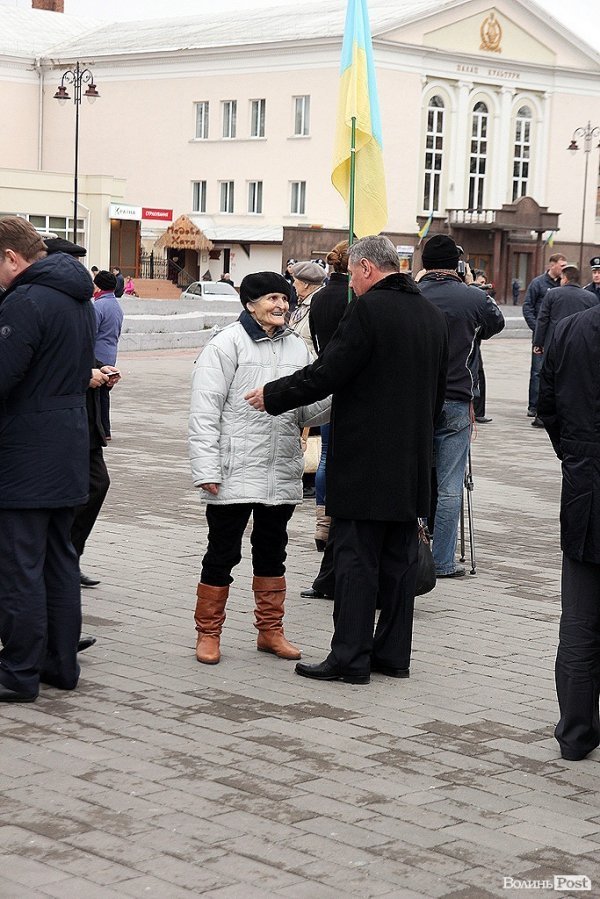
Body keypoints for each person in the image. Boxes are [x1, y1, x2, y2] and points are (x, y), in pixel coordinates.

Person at [246, 235, 449, 684]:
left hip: (366, 459)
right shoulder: (431, 316)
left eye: (354, 275)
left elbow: (331, 370)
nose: (353, 284)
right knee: (398, 560)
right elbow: (438, 396)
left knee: (356, 560)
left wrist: (275, 394)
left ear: (366, 269)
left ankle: (350, 658)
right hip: (412, 459)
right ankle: (393, 656)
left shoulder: (369, 309)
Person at [189, 271, 329, 666]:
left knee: (273, 552)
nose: (281, 305)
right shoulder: (225, 345)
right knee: (222, 553)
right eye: (272, 299)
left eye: (285, 299)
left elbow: (307, 409)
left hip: (279, 466)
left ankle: (270, 631)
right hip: (233, 469)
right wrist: (206, 468)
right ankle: (208, 633)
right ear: (250, 304)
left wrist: (336, 393)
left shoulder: (298, 349)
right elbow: (204, 412)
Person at [0, 216, 96, 702]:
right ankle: (60, 664)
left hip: (24, 451)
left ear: (12, 257)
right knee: (59, 560)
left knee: (19, 566)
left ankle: (17, 672)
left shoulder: (27, 300)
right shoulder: (77, 298)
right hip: (66, 444)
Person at [418, 235, 505, 578]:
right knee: (452, 483)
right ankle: (442, 561)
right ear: (458, 264)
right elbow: (495, 324)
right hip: (456, 398)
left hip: (417, 401)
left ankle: (412, 551)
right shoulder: (473, 297)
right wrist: (470, 291)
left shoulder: (413, 294)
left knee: (417, 476)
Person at [537, 301, 600, 761]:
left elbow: (547, 402)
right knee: (579, 620)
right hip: (584, 472)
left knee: (580, 619)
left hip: (585, 484)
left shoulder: (572, 328)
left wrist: (574, 455)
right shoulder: (572, 326)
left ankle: (576, 733)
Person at [308, 241, 351, 552]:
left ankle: (322, 524)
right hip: (351, 385)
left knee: (325, 456)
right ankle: (342, 521)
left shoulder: (319, 297)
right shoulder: (356, 298)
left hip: (325, 383)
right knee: (347, 456)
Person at [522, 253, 566, 425]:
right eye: (562, 265)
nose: (564, 269)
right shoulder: (538, 283)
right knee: (538, 371)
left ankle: (550, 406)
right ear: (552, 265)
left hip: (560, 338)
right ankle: (534, 405)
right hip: (541, 337)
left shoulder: (564, 285)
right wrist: (539, 329)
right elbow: (528, 307)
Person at [533, 265, 599, 355]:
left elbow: (543, 319)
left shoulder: (552, 294)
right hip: (580, 344)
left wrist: (538, 343)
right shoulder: (591, 297)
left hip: (554, 342)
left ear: (565, 279)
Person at [93, 270, 124, 439]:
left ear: (98, 286)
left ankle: (101, 430)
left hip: (97, 356)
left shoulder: (98, 306)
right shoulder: (116, 306)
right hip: (111, 353)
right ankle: (106, 429)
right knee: (104, 394)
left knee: (97, 396)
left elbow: (91, 332)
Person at [289, 261, 327, 356]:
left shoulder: (319, 305)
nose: (293, 285)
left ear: (305, 284)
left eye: (295, 281)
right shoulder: (305, 304)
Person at [471, 269, 494, 424]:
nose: (483, 286)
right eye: (480, 283)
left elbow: (494, 322)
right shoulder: (469, 296)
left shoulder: (482, 298)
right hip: (468, 344)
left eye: (484, 283)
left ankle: (479, 412)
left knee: (479, 374)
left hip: (475, 341)